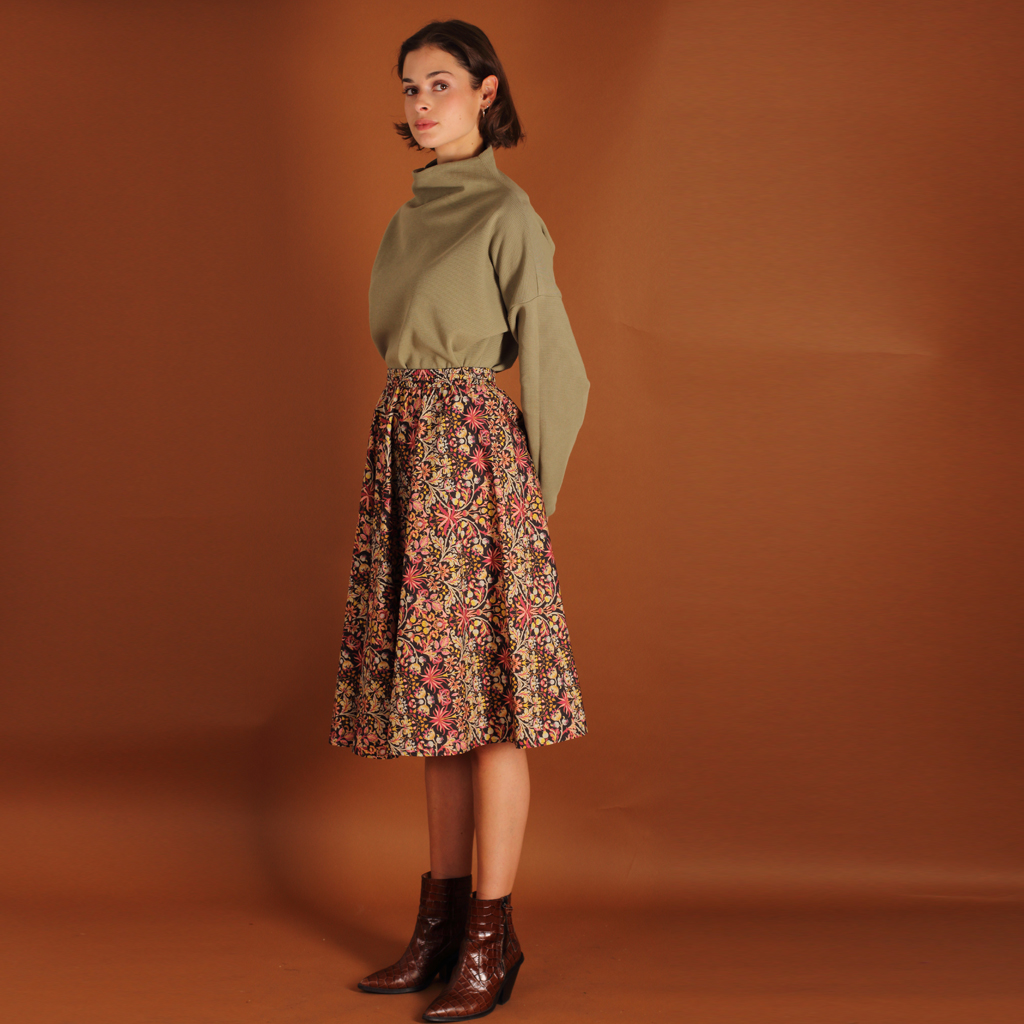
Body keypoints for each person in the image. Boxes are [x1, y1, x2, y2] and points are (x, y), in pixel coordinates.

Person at [329, 19, 590, 1022]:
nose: (420, 102)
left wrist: (525, 508)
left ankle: (491, 933)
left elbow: (557, 363)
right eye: (409, 88)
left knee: (490, 712)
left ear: (487, 92)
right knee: (435, 708)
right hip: (407, 448)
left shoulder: (507, 212)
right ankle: (437, 928)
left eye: (440, 83)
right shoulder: (408, 217)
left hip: (474, 470)